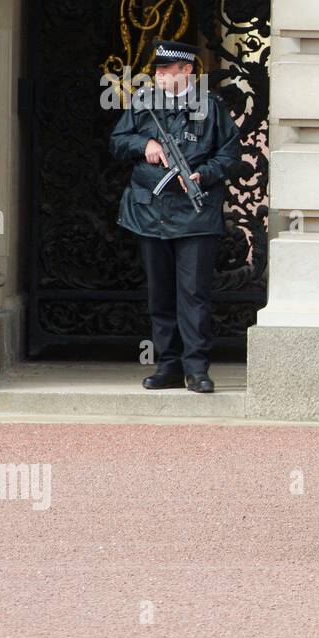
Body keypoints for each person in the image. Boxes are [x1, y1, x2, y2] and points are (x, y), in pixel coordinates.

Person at [108, 39, 241, 393]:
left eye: (167, 71)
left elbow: (231, 156)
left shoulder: (211, 108)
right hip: (151, 212)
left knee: (193, 294)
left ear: (188, 72)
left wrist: (205, 174)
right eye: (158, 71)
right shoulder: (143, 104)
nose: (160, 76)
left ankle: (196, 369)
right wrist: (144, 145)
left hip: (196, 216)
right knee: (160, 295)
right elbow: (117, 142)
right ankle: (167, 365)